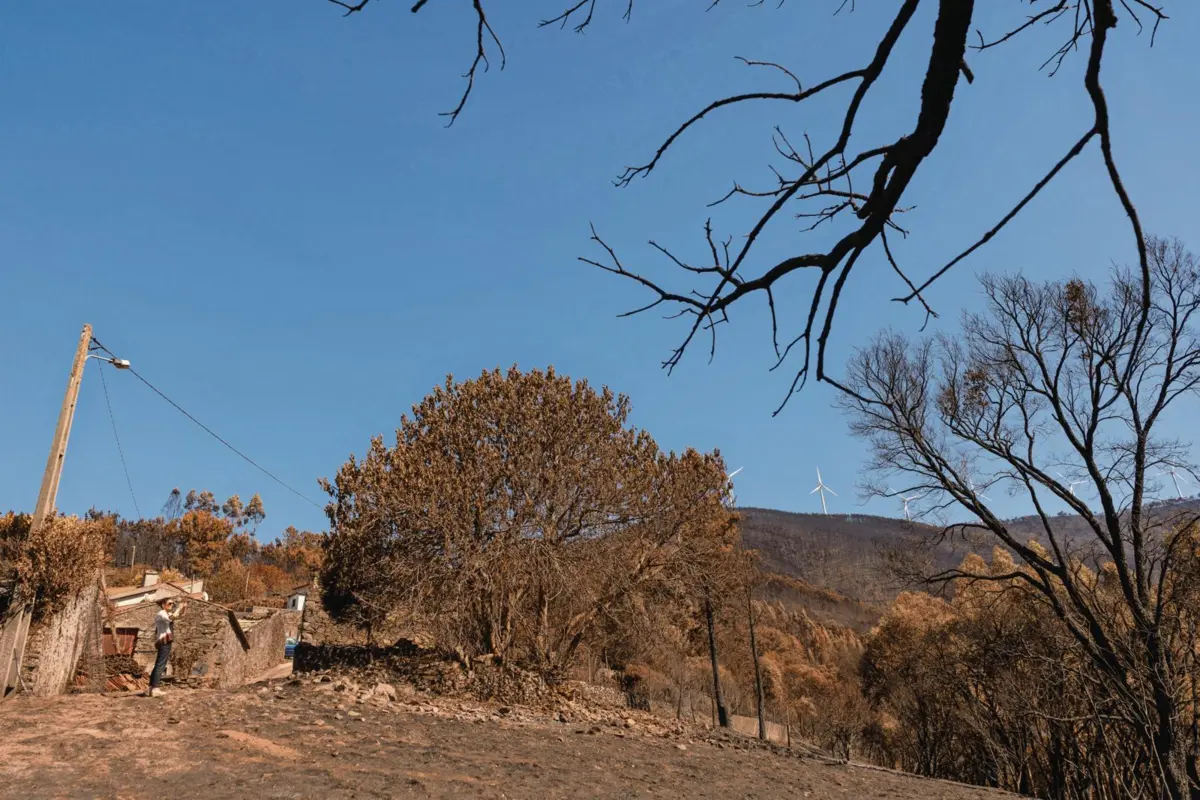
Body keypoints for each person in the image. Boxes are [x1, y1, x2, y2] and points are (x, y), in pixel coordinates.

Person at [146, 596, 186, 697]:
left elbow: (180, 615)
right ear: (163, 605)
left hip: (164, 641)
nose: (172, 605)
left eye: (173, 604)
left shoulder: (166, 613)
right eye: (170, 603)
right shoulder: (161, 614)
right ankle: (155, 689)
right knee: (161, 665)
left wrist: (183, 607)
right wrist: (178, 608)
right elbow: (171, 619)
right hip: (164, 641)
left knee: (159, 664)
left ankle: (151, 688)